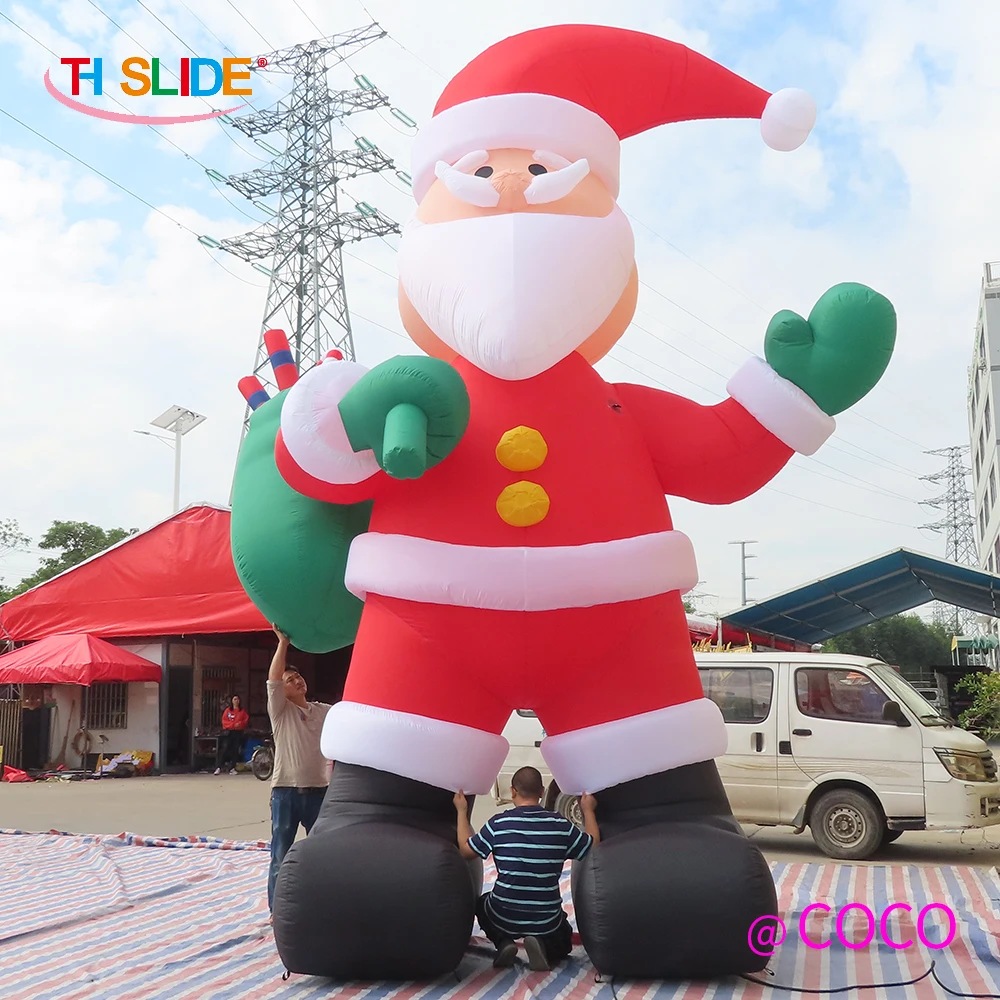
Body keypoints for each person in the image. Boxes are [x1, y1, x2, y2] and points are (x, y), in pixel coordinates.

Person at [454, 766, 599, 971]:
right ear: (542, 792)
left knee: (482, 904)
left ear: (513, 791)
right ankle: (542, 944)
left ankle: (503, 942)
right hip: (545, 919)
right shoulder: (560, 825)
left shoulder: (499, 823)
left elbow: (466, 850)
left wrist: (462, 811)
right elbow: (592, 846)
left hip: (503, 913)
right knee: (563, 938)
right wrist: (588, 810)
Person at [267, 625, 333, 911]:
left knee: (320, 852)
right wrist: (283, 644)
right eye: (290, 680)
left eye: (298, 677)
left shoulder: (322, 711)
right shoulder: (281, 712)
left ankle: (319, 902)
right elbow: (273, 680)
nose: (297, 681)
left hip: (319, 791)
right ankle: (277, 909)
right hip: (286, 792)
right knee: (281, 853)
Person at [214, 695, 250, 775]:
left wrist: (239, 724)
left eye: (237, 699)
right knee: (225, 748)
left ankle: (232, 767)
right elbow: (224, 721)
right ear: (232, 701)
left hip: (238, 732)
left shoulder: (242, 711)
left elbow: (245, 720)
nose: (236, 701)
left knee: (235, 750)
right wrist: (232, 725)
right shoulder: (228, 711)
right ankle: (219, 767)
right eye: (234, 699)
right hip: (229, 732)